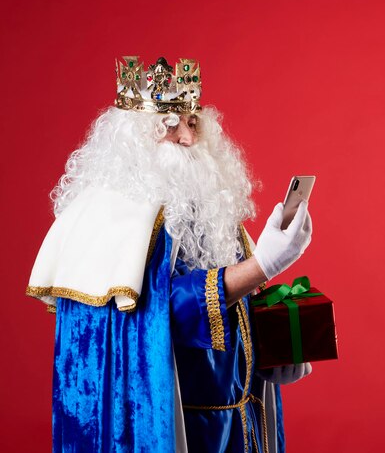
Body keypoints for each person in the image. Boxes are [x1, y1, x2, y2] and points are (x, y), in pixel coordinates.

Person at [26, 56, 313, 453]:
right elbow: (159, 312)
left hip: (237, 419)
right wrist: (261, 266)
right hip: (173, 425)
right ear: (130, 142)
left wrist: (275, 352)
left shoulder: (207, 207)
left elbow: (235, 311)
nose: (187, 139)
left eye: (192, 122)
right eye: (168, 126)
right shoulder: (109, 219)